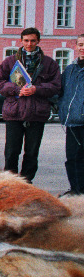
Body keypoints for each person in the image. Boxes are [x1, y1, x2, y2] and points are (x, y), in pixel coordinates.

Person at [0, 27, 61, 182]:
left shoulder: (49, 63)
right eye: (26, 40)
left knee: (31, 152)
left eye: (32, 41)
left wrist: (37, 89)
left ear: (38, 41)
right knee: (11, 151)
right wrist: (17, 90)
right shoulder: (10, 62)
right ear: (21, 41)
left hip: (37, 114)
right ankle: (10, 182)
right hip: (14, 113)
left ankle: (26, 182)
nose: (29, 44)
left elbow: (56, 86)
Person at [58, 33, 84, 194]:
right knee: (72, 159)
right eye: (80, 44)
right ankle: (75, 190)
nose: (83, 48)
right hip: (72, 122)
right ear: (76, 46)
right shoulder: (70, 69)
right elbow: (60, 92)